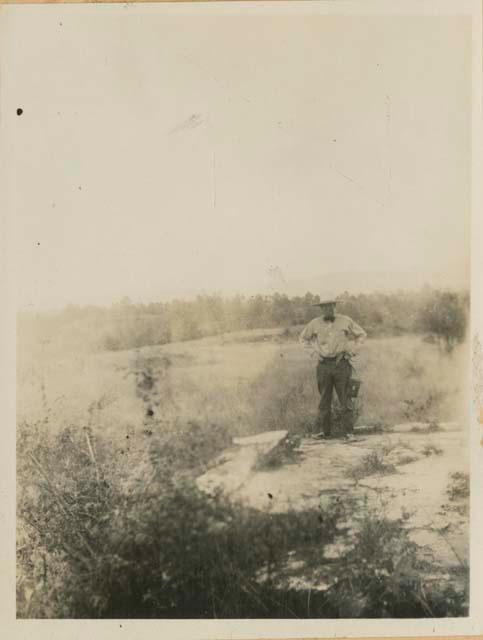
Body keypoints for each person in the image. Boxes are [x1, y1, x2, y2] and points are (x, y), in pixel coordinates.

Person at [299, 298, 366, 440]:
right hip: (323, 366)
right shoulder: (314, 323)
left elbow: (361, 334)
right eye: (324, 307)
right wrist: (314, 353)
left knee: (346, 399)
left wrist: (352, 351)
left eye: (330, 306)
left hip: (341, 364)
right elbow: (303, 339)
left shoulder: (345, 320)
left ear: (335, 306)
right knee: (324, 400)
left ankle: (349, 432)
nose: (327, 309)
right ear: (321, 309)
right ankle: (325, 433)